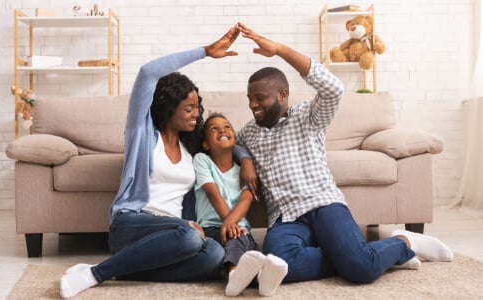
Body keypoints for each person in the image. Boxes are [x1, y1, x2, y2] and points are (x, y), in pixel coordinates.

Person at [235, 22, 454, 284]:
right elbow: (231, 143)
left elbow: (334, 88)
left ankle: (401, 242)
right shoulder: (250, 131)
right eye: (250, 99)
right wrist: (245, 158)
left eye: (259, 98)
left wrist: (280, 50)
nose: (253, 105)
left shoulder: (307, 116)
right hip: (285, 216)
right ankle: (362, 255)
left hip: (324, 205)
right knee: (279, 264)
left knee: (361, 270)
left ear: (282, 94)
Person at [59, 24, 245, 299]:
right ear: (169, 107)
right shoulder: (143, 135)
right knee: (190, 236)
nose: (196, 114)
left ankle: (124, 268)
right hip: (133, 225)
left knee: (214, 256)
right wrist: (205, 51)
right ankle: (95, 273)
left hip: (173, 236)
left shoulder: (190, 148)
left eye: (197, 107)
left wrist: (247, 160)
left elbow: (228, 145)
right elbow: (148, 72)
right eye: (188, 108)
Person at [193, 113, 287, 297]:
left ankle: (261, 280)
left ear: (235, 139)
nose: (222, 130)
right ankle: (235, 275)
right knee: (235, 242)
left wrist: (232, 225)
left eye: (227, 126)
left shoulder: (245, 173)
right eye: (214, 128)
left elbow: (246, 199)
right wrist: (229, 224)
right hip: (212, 228)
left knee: (247, 251)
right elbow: (212, 194)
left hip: (242, 231)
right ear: (206, 144)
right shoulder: (202, 160)